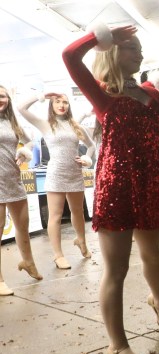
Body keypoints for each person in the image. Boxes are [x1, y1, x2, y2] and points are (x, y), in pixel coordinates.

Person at [63, 23, 159, 354]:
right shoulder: (102, 92)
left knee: (152, 255)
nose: (139, 54)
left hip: (149, 184)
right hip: (115, 188)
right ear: (114, 50)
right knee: (116, 269)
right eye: (132, 47)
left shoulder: (151, 93)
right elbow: (69, 55)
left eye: (140, 49)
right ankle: (117, 345)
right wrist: (100, 37)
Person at [18, 92, 96, 269]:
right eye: (58, 102)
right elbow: (21, 108)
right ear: (51, 105)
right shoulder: (45, 124)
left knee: (78, 211)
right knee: (55, 215)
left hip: (75, 173)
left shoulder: (75, 125)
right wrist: (41, 96)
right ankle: (58, 255)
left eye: (65, 102)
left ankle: (81, 241)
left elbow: (91, 146)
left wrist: (87, 158)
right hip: (56, 174)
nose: (62, 105)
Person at [0, 85, 43, 296]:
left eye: (2, 96)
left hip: (13, 179)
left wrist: (25, 151)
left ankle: (28, 262)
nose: (0, 99)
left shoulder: (12, 122)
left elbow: (30, 141)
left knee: (22, 225)